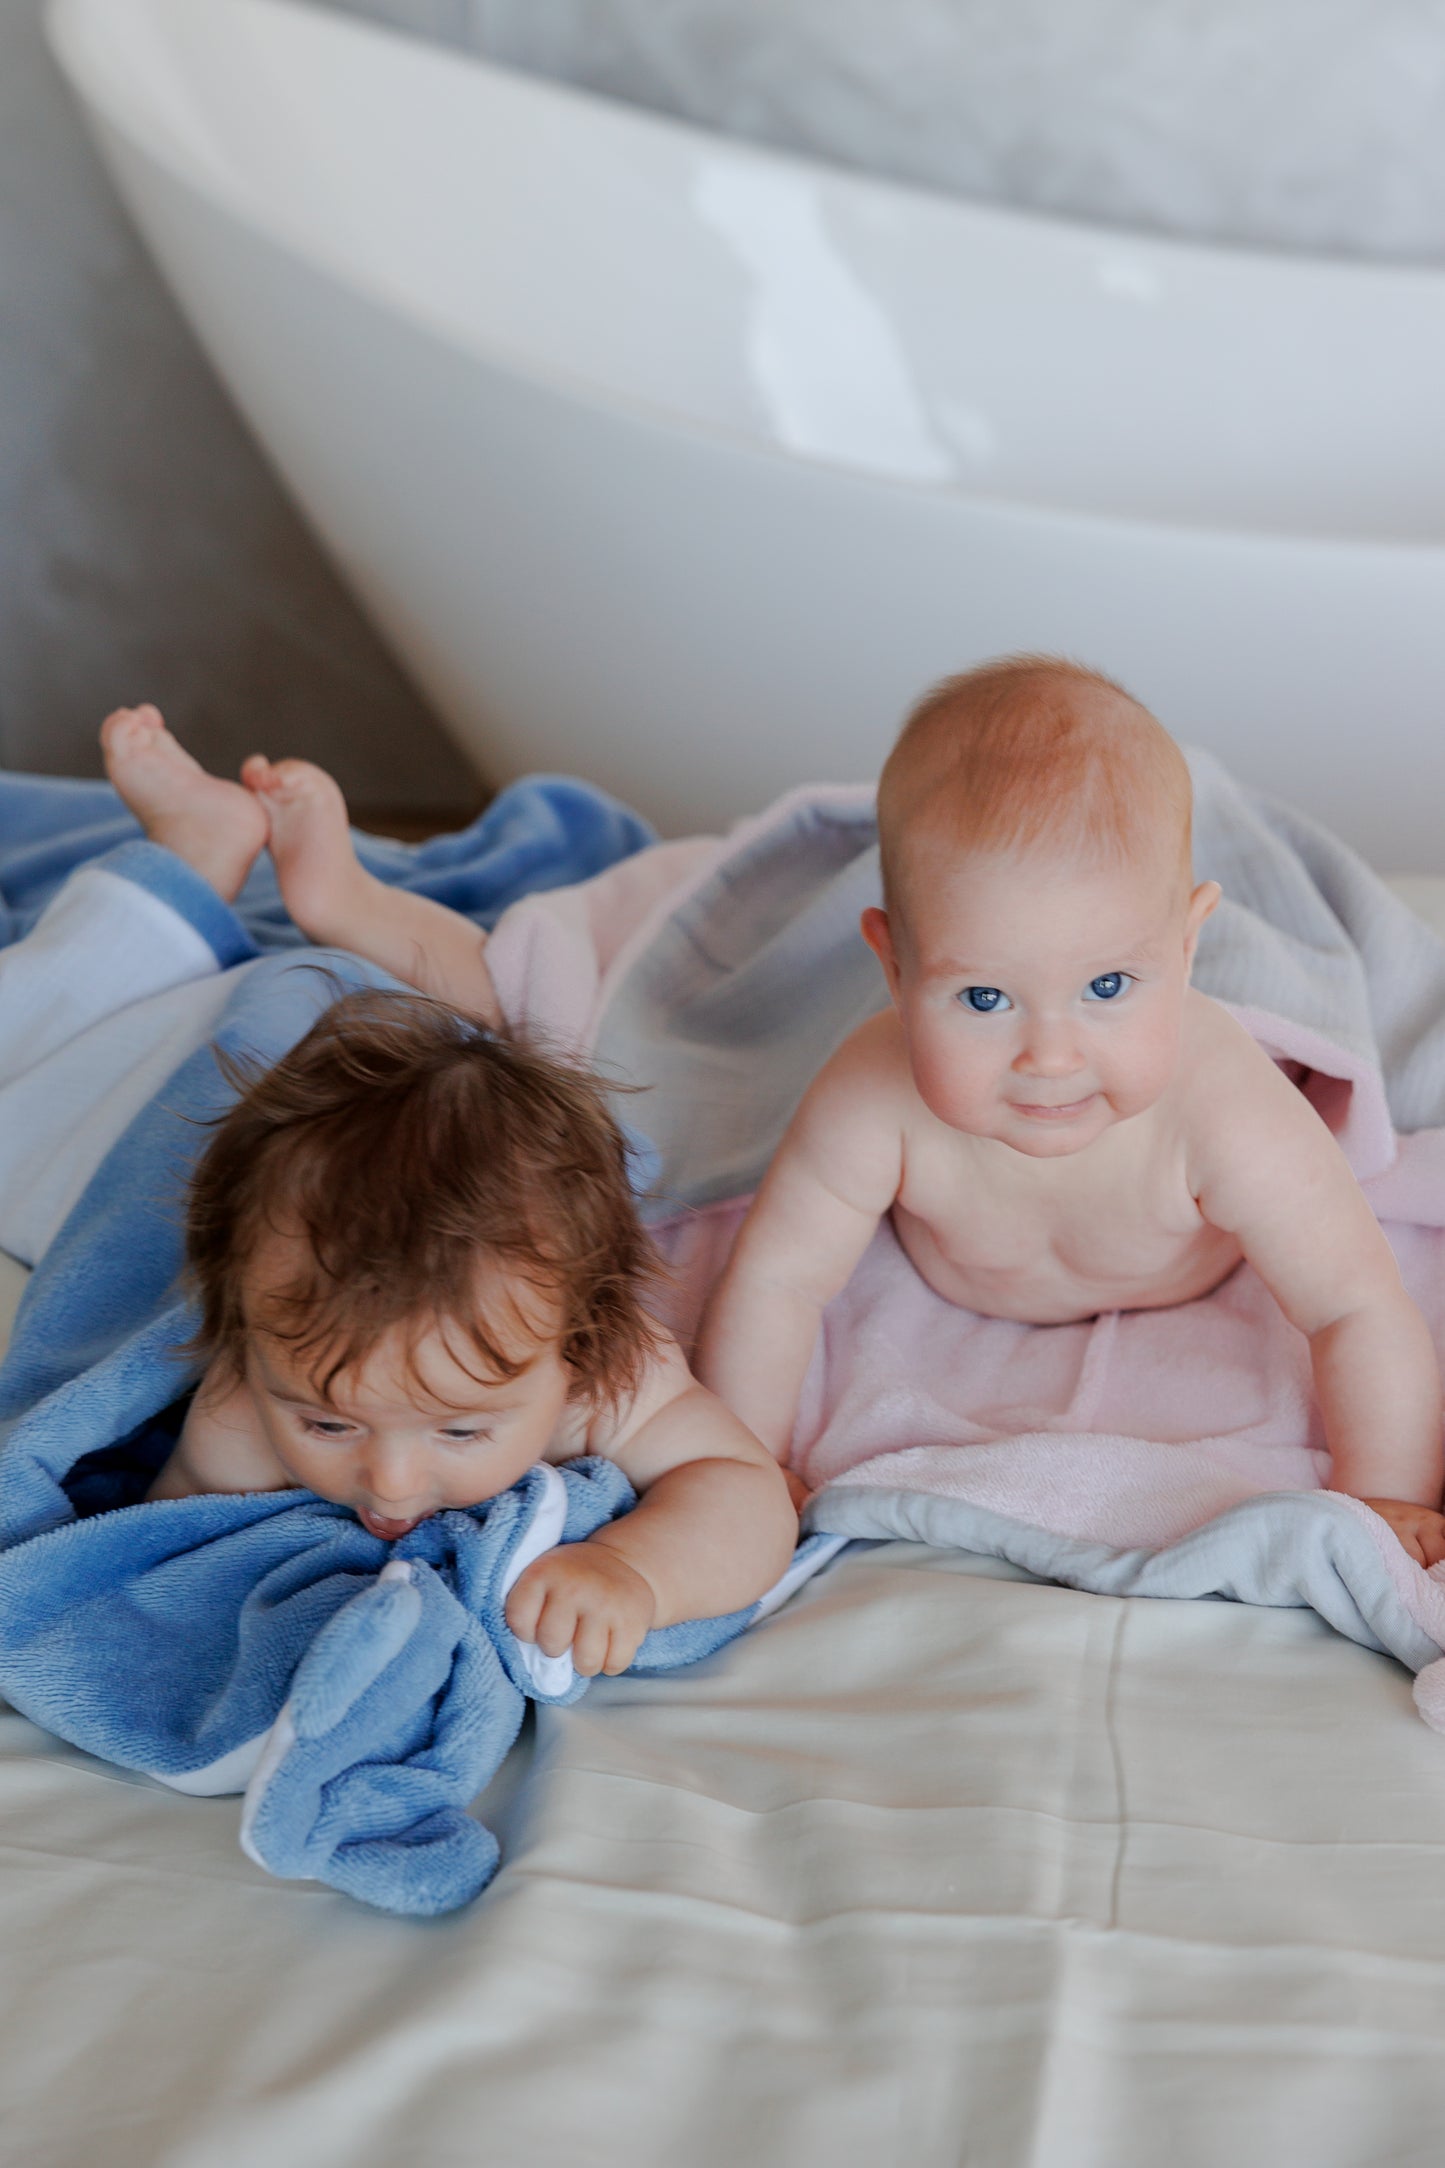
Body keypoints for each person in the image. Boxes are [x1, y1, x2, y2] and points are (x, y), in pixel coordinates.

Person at [89, 704, 798, 1675]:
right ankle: (194, 874)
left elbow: (745, 1490)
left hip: (570, 1098)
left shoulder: (602, 1376)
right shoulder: (238, 1414)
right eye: (326, 1419)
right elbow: (157, 1570)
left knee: (502, 1019)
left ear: (580, 1351)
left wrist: (634, 1571)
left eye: (462, 1426)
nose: (387, 1475)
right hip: (269, 1044)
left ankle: (289, 889)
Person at [694, 655, 1445, 1566]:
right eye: (982, 1000)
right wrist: (739, 1465)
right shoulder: (870, 1097)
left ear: (1187, 944)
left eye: (1108, 984)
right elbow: (775, 1283)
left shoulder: (1223, 1108)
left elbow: (1355, 1306)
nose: (1049, 1058)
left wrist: (1386, 1495)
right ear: (892, 968)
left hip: (1189, 1262)